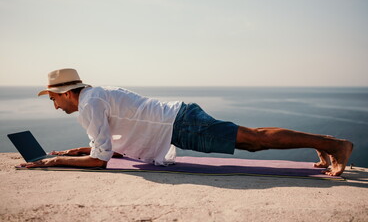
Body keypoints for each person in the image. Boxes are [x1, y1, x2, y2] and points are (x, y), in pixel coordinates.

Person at [20, 68, 353, 176]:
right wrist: (76, 150)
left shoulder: (89, 104)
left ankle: (333, 144)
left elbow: (101, 160)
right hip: (177, 121)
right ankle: (324, 144)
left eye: (52, 99)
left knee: (254, 139)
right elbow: (107, 144)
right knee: (253, 138)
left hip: (179, 124)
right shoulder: (96, 95)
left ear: (65, 93)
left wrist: (53, 161)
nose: (54, 106)